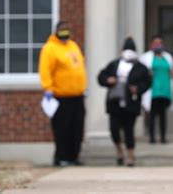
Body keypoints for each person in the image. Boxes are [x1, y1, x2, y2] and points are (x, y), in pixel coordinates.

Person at [39, 21, 87, 167]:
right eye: (62, 31)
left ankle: (74, 156)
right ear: (56, 32)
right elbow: (45, 69)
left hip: (77, 95)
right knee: (62, 129)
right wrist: (48, 88)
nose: (65, 34)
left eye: (67, 31)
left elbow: (79, 67)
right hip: (60, 96)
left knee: (77, 128)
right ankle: (61, 157)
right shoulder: (50, 48)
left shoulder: (73, 46)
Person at [98, 37, 151, 166]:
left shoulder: (141, 67)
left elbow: (147, 82)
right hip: (114, 103)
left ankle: (131, 156)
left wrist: (137, 89)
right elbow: (101, 76)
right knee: (114, 129)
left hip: (131, 104)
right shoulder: (114, 64)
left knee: (129, 130)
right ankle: (119, 151)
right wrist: (108, 80)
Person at [140, 35, 173, 144]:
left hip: (165, 90)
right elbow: (141, 73)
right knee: (152, 115)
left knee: (163, 115)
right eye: (155, 43)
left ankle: (163, 137)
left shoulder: (168, 57)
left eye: (160, 43)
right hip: (152, 90)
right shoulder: (146, 57)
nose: (158, 45)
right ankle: (152, 137)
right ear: (151, 45)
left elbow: (172, 71)